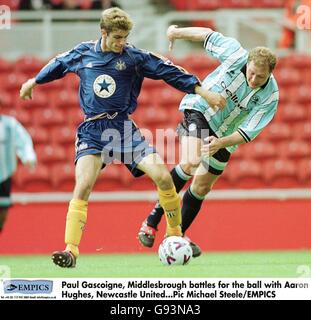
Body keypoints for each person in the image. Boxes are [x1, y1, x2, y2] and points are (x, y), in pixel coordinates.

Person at [20, 8, 225, 268]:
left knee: (163, 177)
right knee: (83, 186)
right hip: (92, 132)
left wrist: (201, 91)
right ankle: (70, 250)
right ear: (103, 32)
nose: (122, 43)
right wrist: (33, 81)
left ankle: (174, 235)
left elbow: (166, 70)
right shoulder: (83, 53)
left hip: (123, 129)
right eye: (117, 37)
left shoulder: (133, 57)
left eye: (125, 37)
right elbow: (58, 64)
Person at [138, 25, 279, 257]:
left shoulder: (271, 96)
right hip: (200, 110)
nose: (253, 79)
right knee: (191, 161)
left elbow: (248, 132)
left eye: (260, 77)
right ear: (247, 63)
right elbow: (207, 35)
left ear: (270, 74)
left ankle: (176, 237)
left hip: (225, 137)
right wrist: (175, 32)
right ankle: (151, 220)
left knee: (201, 187)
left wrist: (220, 143)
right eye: (250, 73)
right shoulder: (236, 54)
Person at [0, 112, 37, 234]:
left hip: (4, 175)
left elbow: (23, 139)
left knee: (3, 212)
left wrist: (28, 156)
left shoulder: (9, 124)